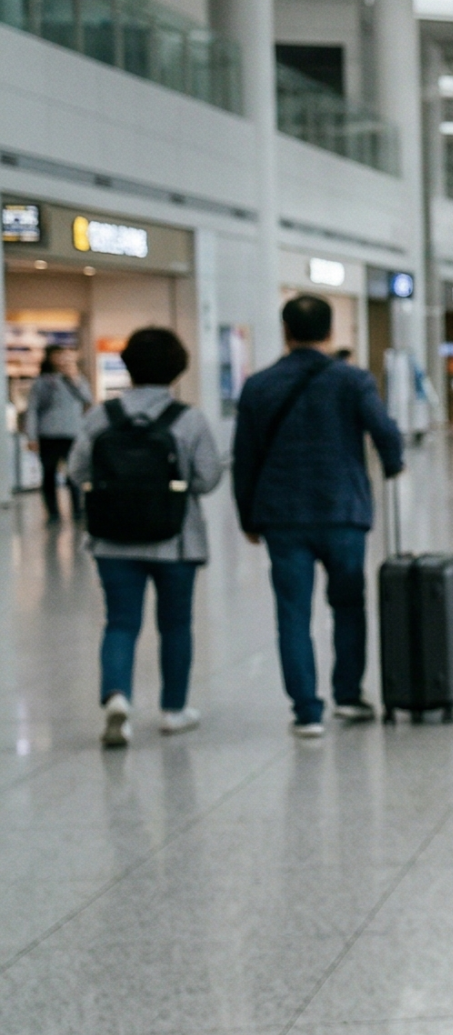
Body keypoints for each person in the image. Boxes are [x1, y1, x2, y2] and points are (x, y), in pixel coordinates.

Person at [234, 295, 405, 737]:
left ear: (286, 330)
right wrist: (393, 462)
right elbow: (385, 431)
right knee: (348, 604)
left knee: (292, 612)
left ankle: (307, 712)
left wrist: (248, 518)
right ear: (330, 332)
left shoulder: (260, 385)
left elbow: (245, 458)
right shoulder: (352, 379)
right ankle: (348, 695)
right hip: (342, 510)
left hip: (282, 516)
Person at [67, 328, 221, 746]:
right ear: (177, 370)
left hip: (112, 540)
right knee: (175, 624)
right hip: (176, 540)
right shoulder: (188, 419)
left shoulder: (101, 416)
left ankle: (117, 697)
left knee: (120, 622)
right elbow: (207, 479)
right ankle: (173, 709)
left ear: (129, 365)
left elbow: (77, 471)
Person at [27, 344, 92, 522]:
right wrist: (31, 436)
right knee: (49, 473)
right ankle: (53, 512)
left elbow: (88, 399)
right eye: (57, 355)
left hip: (73, 434)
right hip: (48, 434)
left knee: (74, 473)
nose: (61, 359)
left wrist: (74, 378)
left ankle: (78, 509)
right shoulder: (42, 382)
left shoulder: (77, 379)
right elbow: (32, 409)